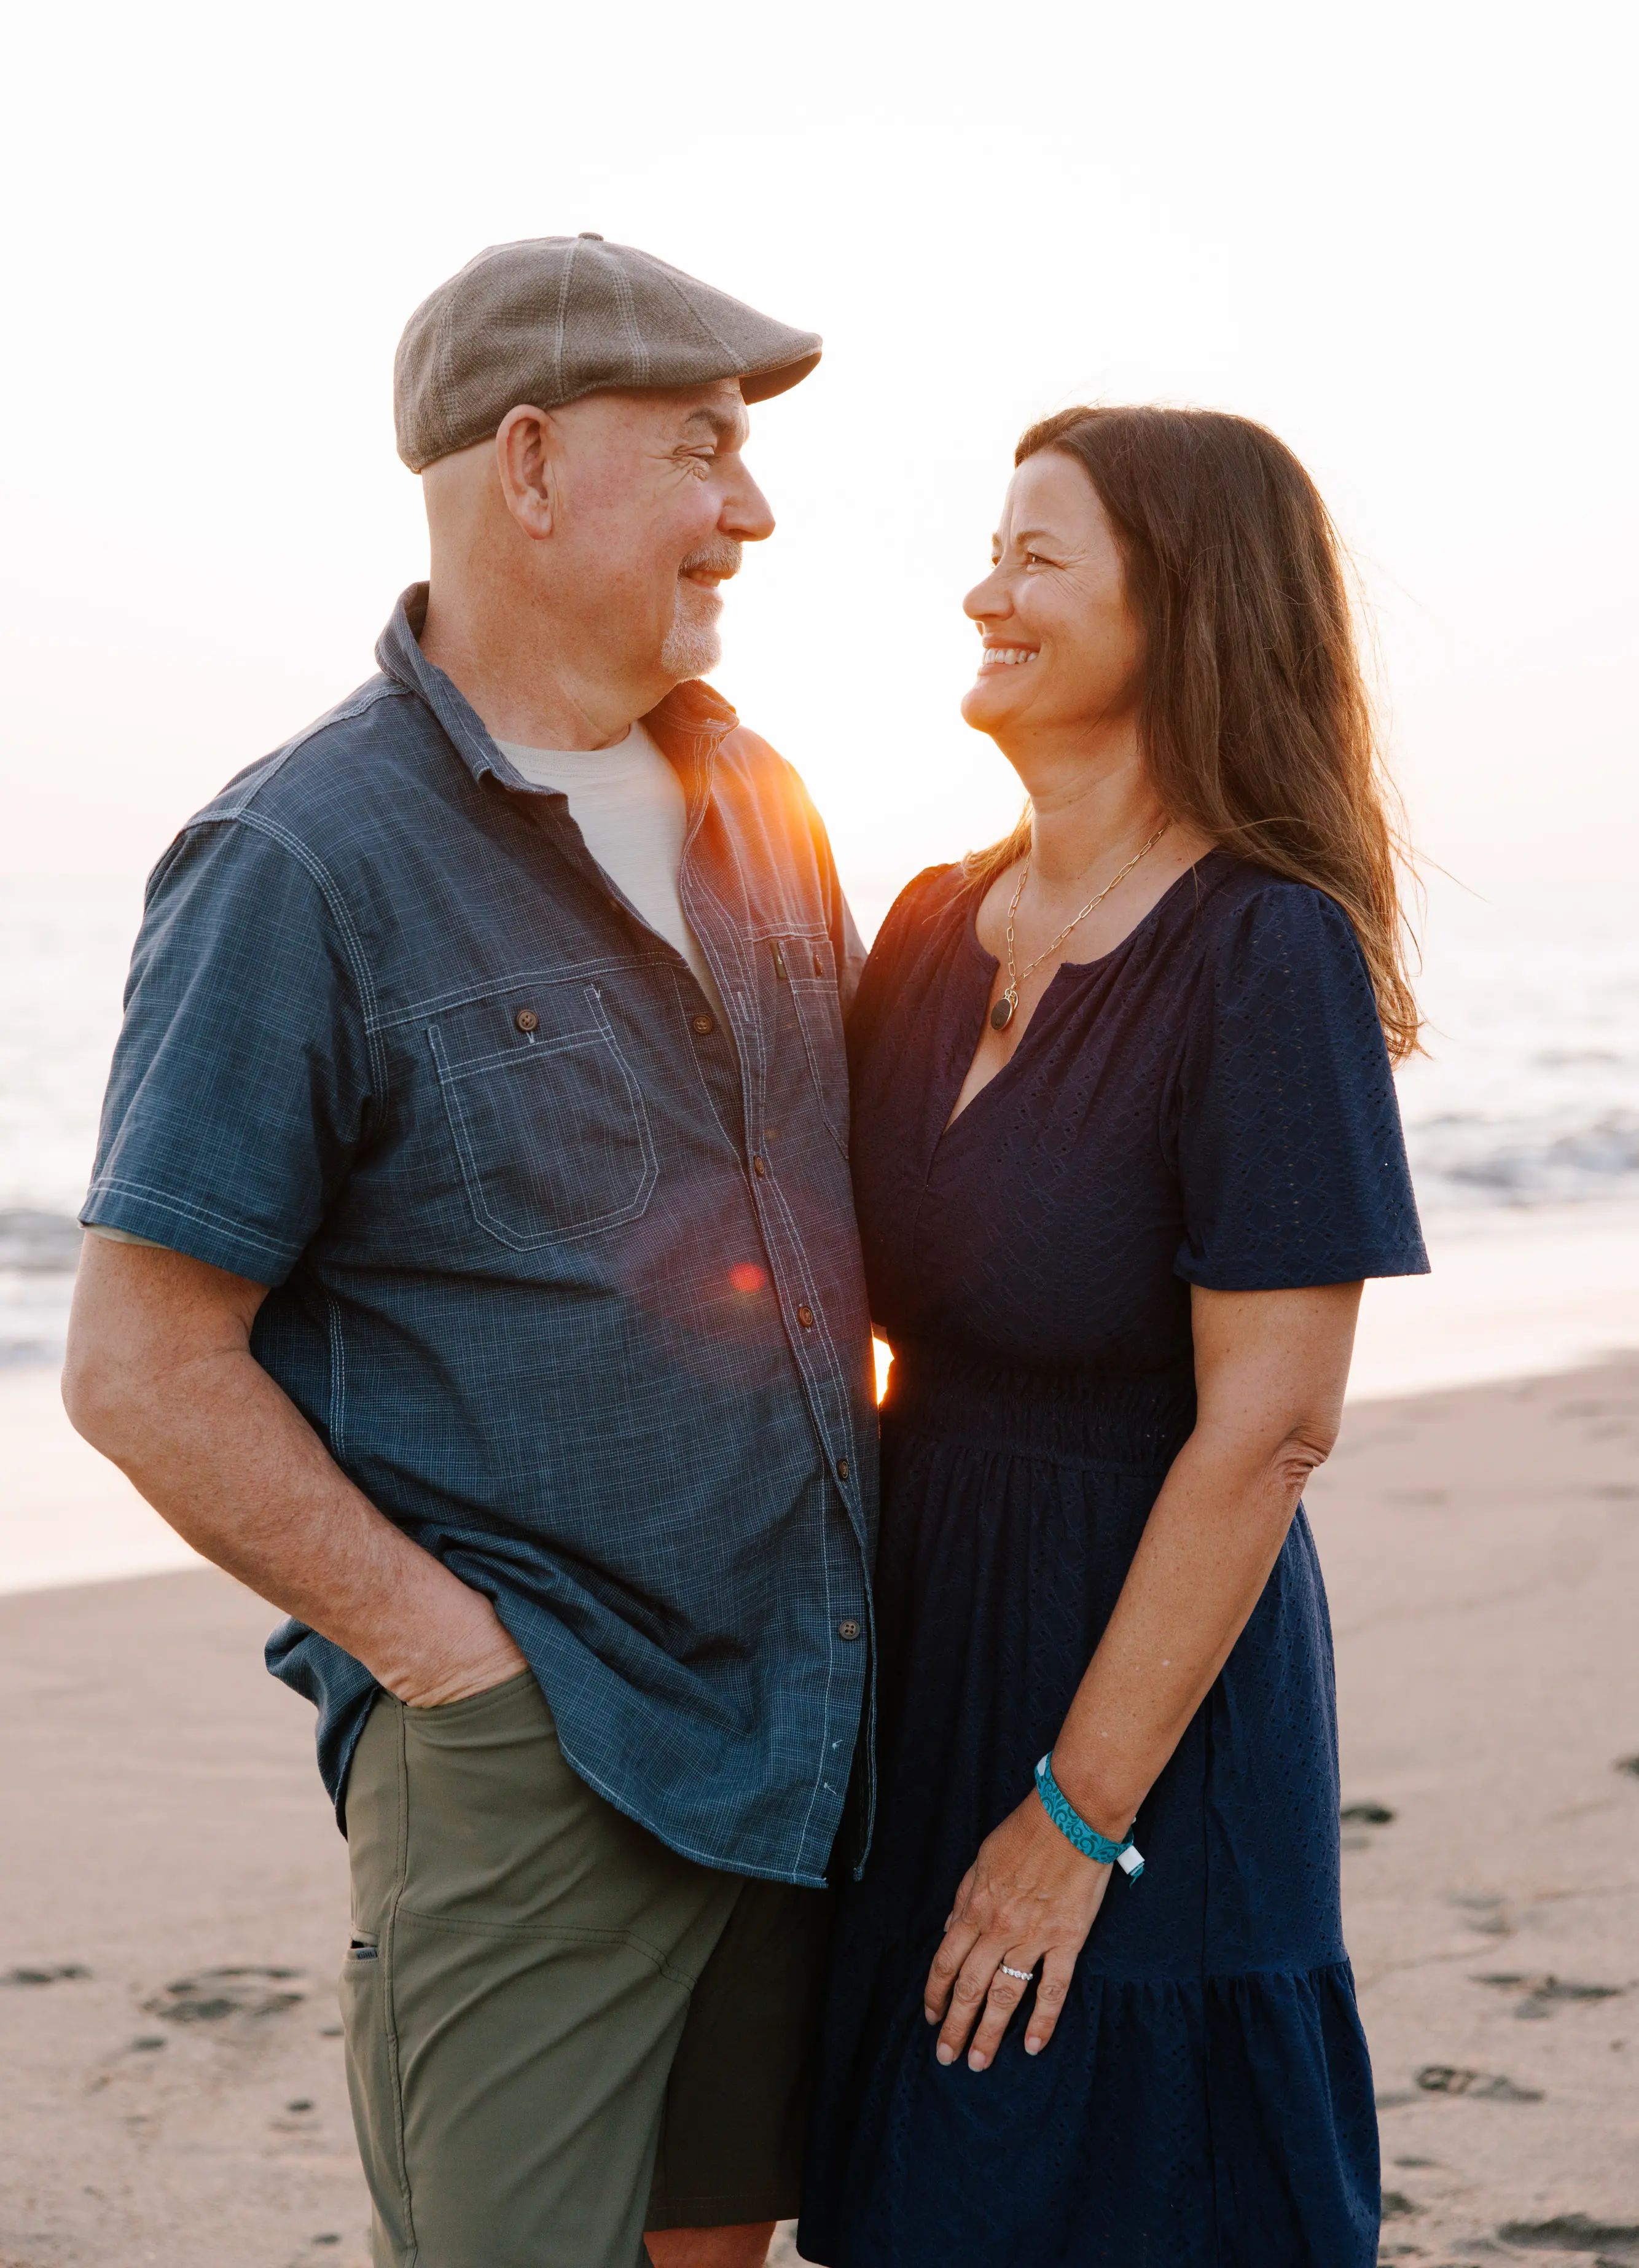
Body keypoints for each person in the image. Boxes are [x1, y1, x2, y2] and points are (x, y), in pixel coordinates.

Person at [61, 235, 878, 2268]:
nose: (751, 509)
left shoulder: (765, 798)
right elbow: (142, 1362)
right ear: (526, 465)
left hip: (805, 1710)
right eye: (700, 449)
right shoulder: (298, 862)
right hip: (539, 1755)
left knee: (719, 2247)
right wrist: (449, 1661)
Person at [799, 405, 1428, 2267]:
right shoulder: (923, 925)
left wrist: (1073, 1821)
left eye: (1036, 555)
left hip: (1145, 1685)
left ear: (1183, 611)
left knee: (1129, 2186)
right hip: (920, 1643)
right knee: (929, 2187)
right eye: (992, 547)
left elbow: (1273, 1428)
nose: (983, 590)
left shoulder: (1264, 952)